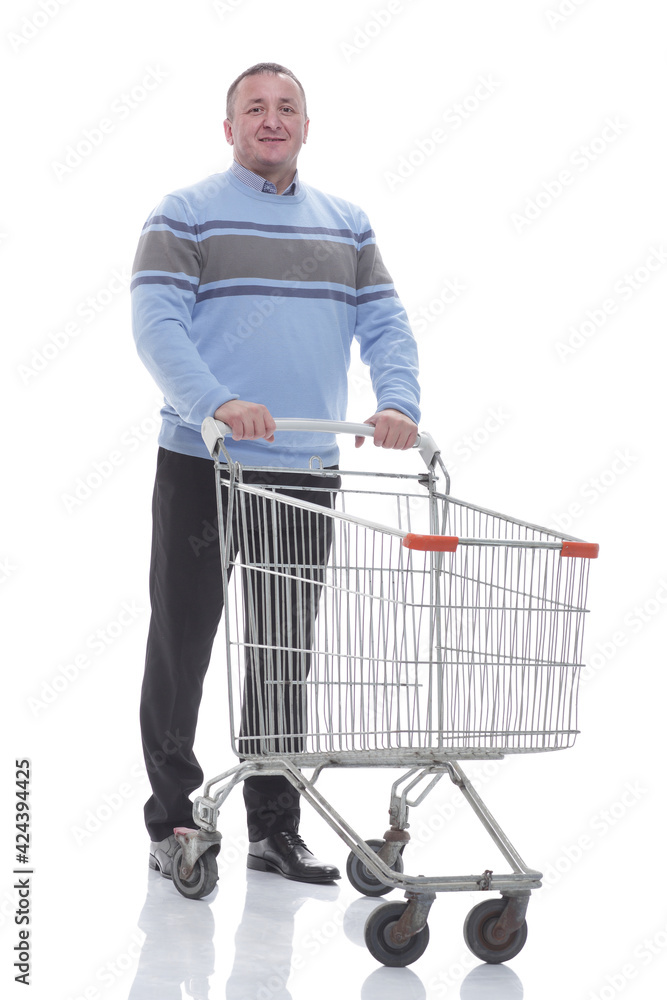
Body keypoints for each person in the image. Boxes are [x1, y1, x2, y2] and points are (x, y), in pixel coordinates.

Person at [131, 62, 421, 885]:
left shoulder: (347, 225)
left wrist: (396, 400)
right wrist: (217, 403)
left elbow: (385, 323)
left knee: (281, 648)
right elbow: (156, 324)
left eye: (286, 107)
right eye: (254, 108)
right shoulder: (183, 213)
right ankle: (175, 822)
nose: (271, 119)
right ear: (229, 129)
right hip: (206, 464)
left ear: (305, 126)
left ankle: (273, 829)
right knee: (184, 642)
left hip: (305, 468)